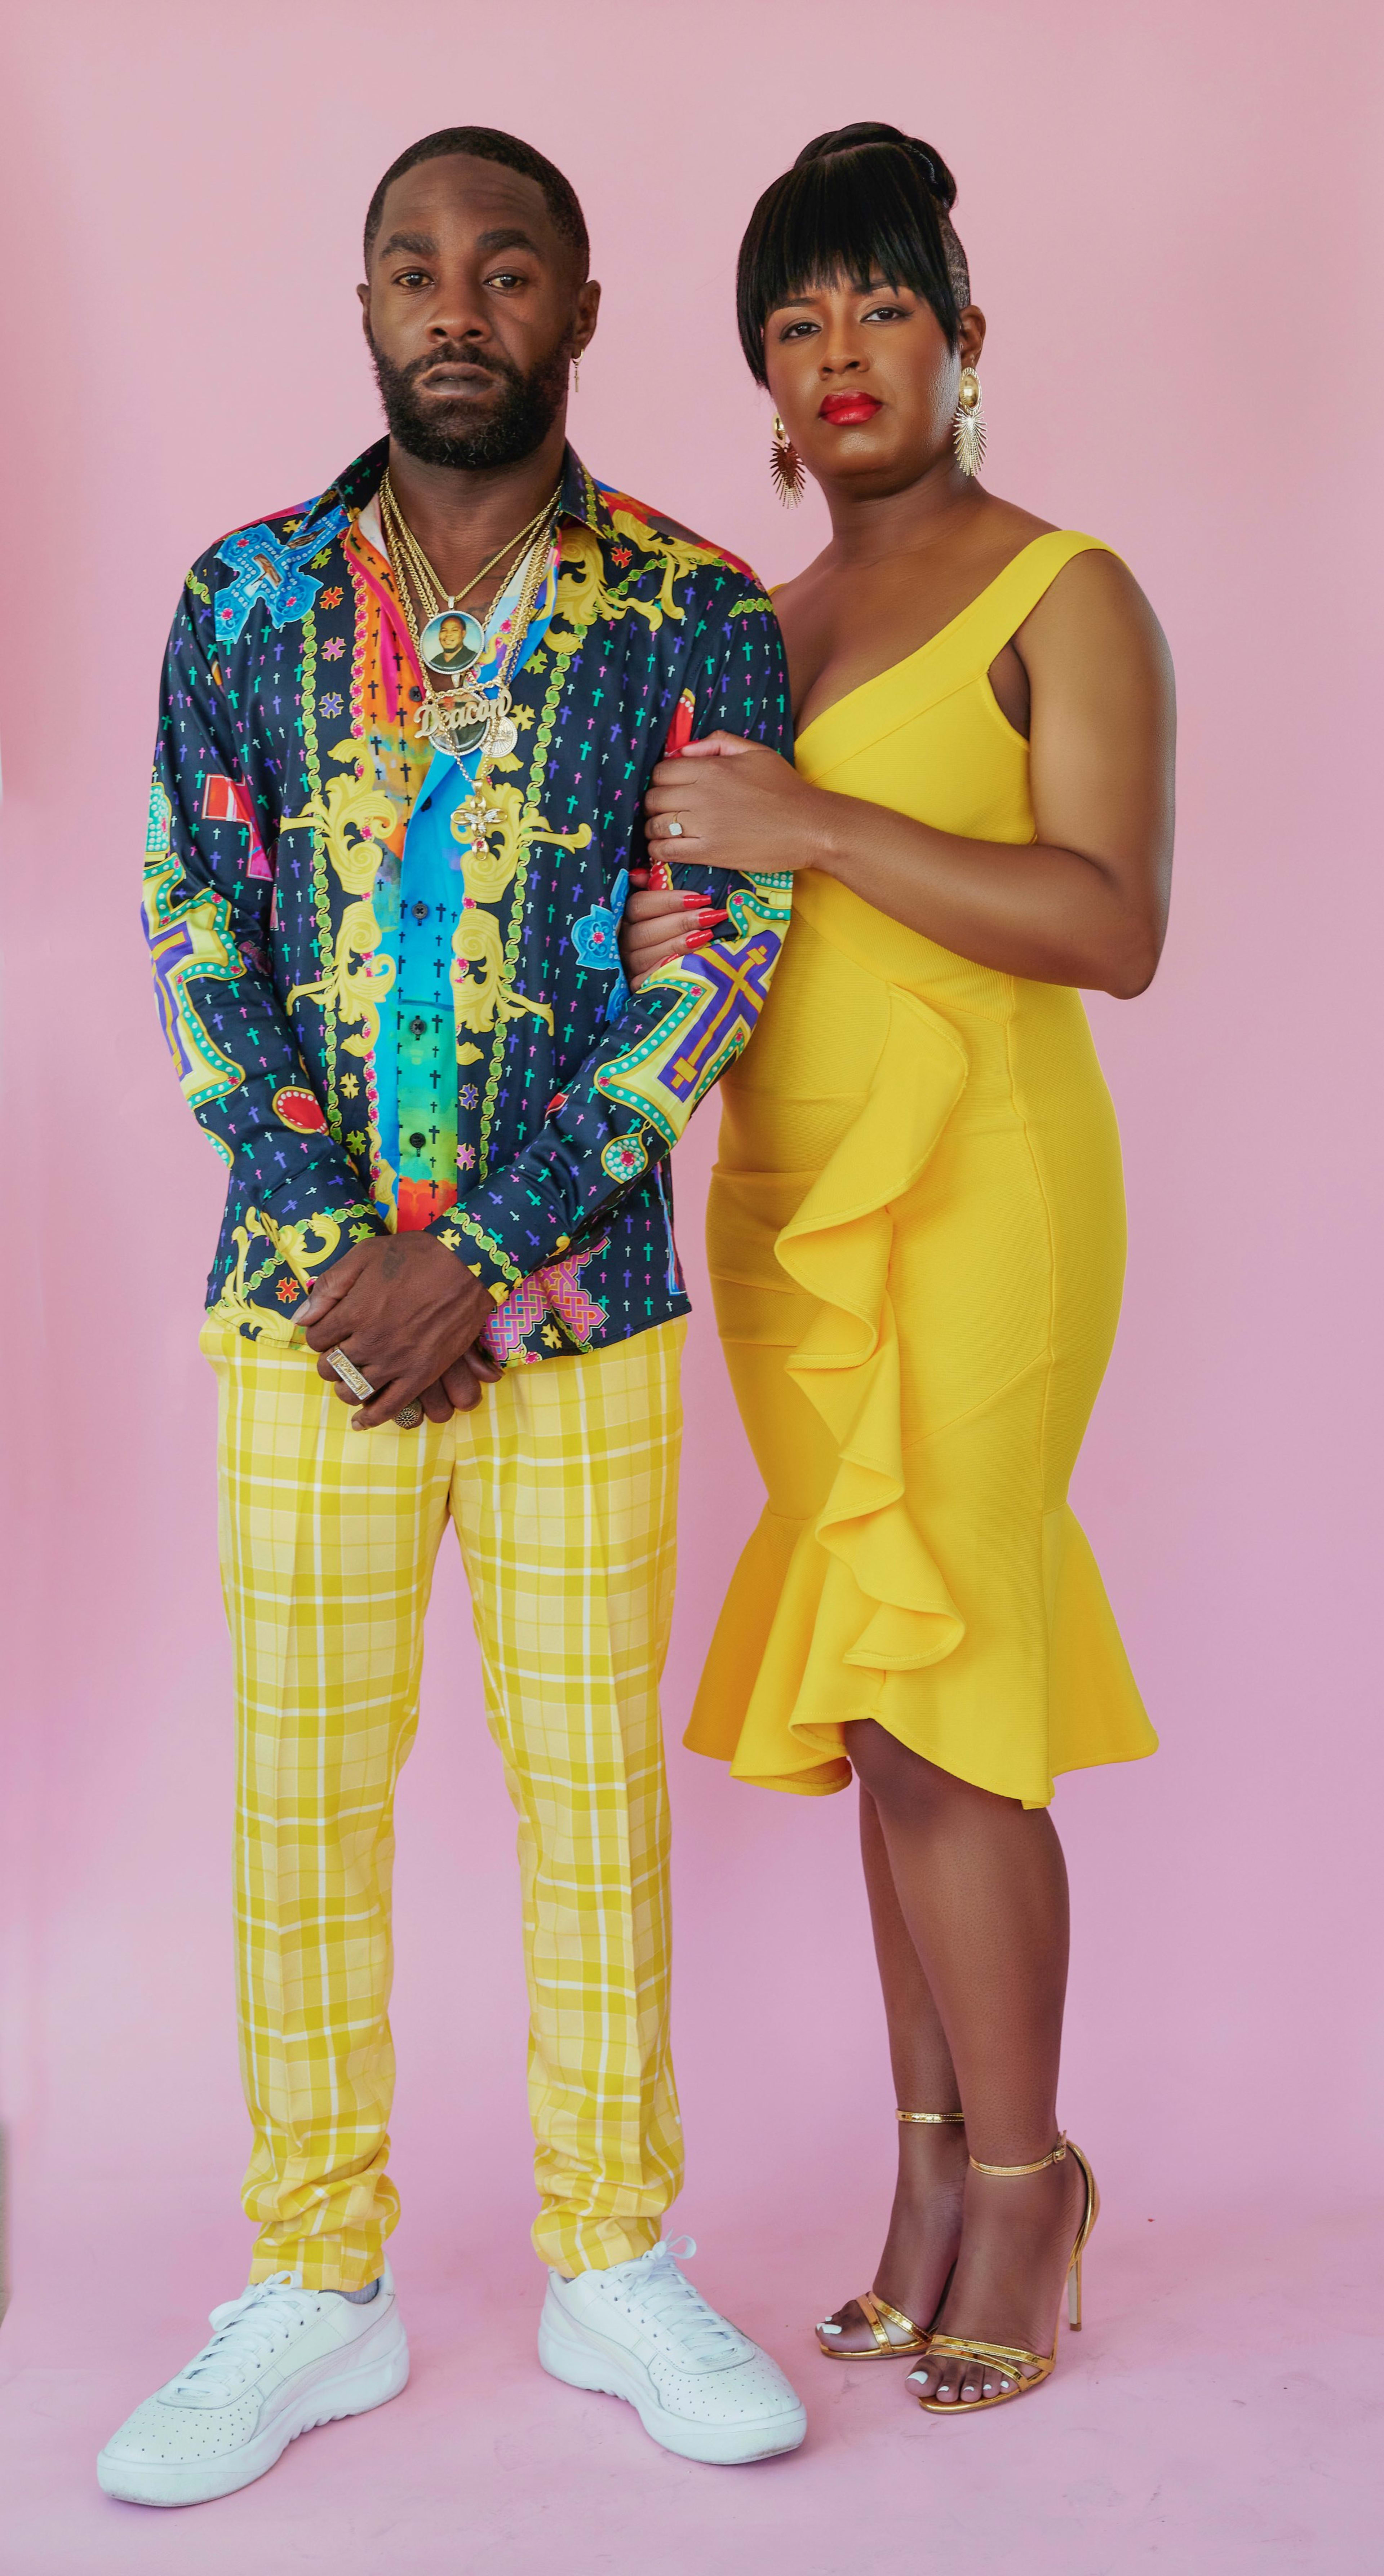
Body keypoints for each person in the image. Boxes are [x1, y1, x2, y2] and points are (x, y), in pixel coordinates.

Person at [101, 125, 805, 2507]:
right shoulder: (242, 597)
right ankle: (319, 2285)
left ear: (582, 309)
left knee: (590, 1802)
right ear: (368, 305)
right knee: (303, 1805)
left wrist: (481, 1254)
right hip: (305, 1320)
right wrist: (338, 1253)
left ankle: (614, 2258)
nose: (459, 306)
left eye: (509, 268)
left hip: (579, 1319)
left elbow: (718, 972)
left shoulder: (693, 610)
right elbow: (199, 934)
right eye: (416, 267)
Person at [620, 121, 1174, 2417]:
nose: (842, 355)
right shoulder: (758, 617)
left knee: (955, 1685)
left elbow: (1113, 926)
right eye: (796, 322)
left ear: (964, 340)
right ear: (764, 379)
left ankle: (1029, 2184)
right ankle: (935, 2173)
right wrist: (687, 925)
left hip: (986, 1198)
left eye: (881, 309)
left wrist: (817, 822)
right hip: (788, 1205)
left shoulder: (1072, 589)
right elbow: (746, 924)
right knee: (876, 1696)